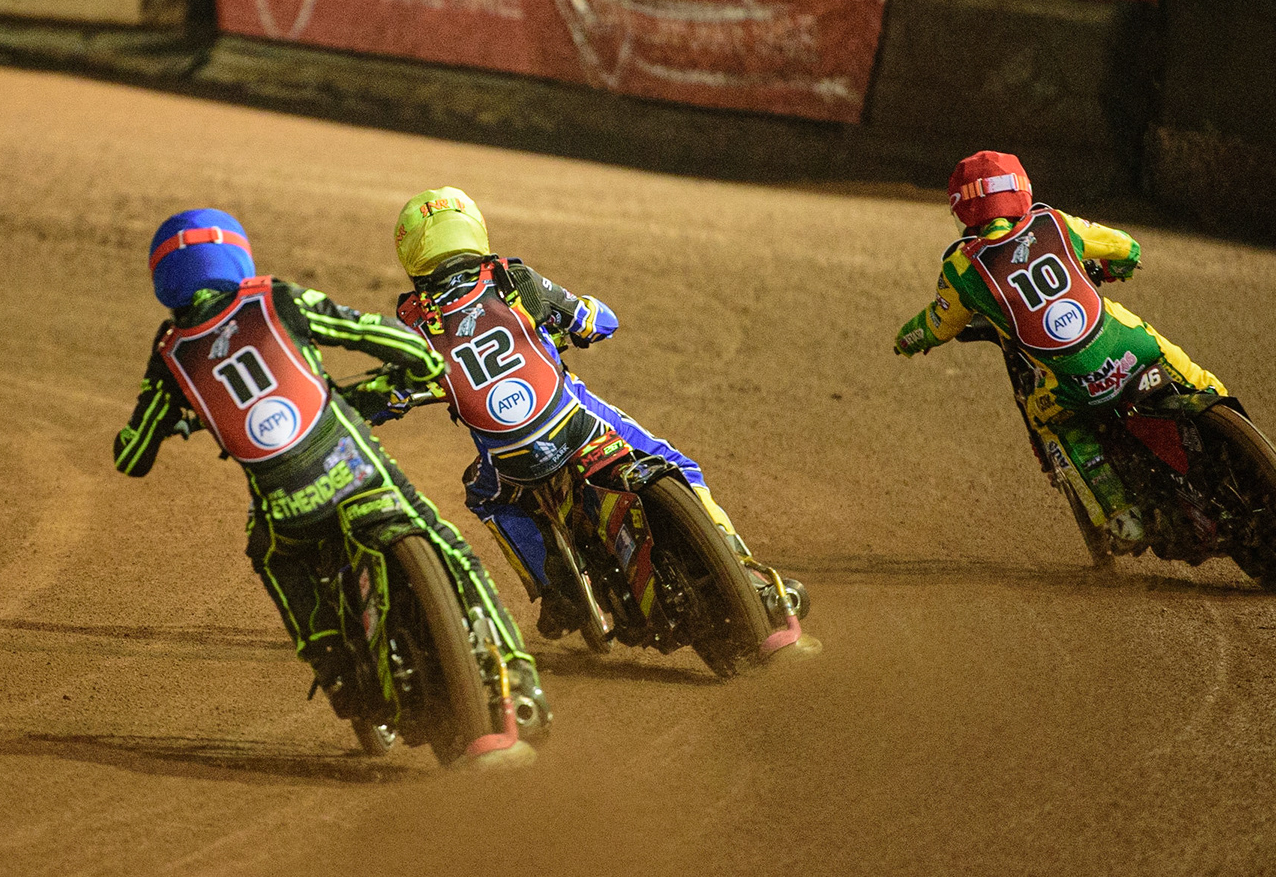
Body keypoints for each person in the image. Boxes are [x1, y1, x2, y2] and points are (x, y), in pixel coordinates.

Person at [112, 208, 546, 753]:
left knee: (272, 556)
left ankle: (339, 674)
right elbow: (377, 335)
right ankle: (518, 682)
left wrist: (169, 422)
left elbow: (131, 456)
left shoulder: (170, 352)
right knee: (453, 550)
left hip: (289, 511)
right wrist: (422, 369)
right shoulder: (275, 298)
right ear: (234, 255)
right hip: (358, 473)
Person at [893, 150, 1276, 589]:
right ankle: (1264, 466)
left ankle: (1120, 514)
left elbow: (937, 323)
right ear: (1020, 189)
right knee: (1202, 380)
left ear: (961, 209)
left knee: (1049, 419)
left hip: (1074, 386)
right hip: (1134, 349)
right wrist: (1119, 266)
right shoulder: (1054, 223)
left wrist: (908, 339)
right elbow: (1124, 247)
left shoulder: (962, 266)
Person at [372, 187, 813, 654]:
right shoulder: (511, 280)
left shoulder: (414, 325)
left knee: (484, 496)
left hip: (511, 464)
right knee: (677, 464)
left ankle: (553, 591)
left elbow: (388, 391)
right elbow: (595, 320)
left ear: (412, 253)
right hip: (578, 423)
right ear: (474, 232)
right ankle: (745, 573)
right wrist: (586, 319)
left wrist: (386, 401)